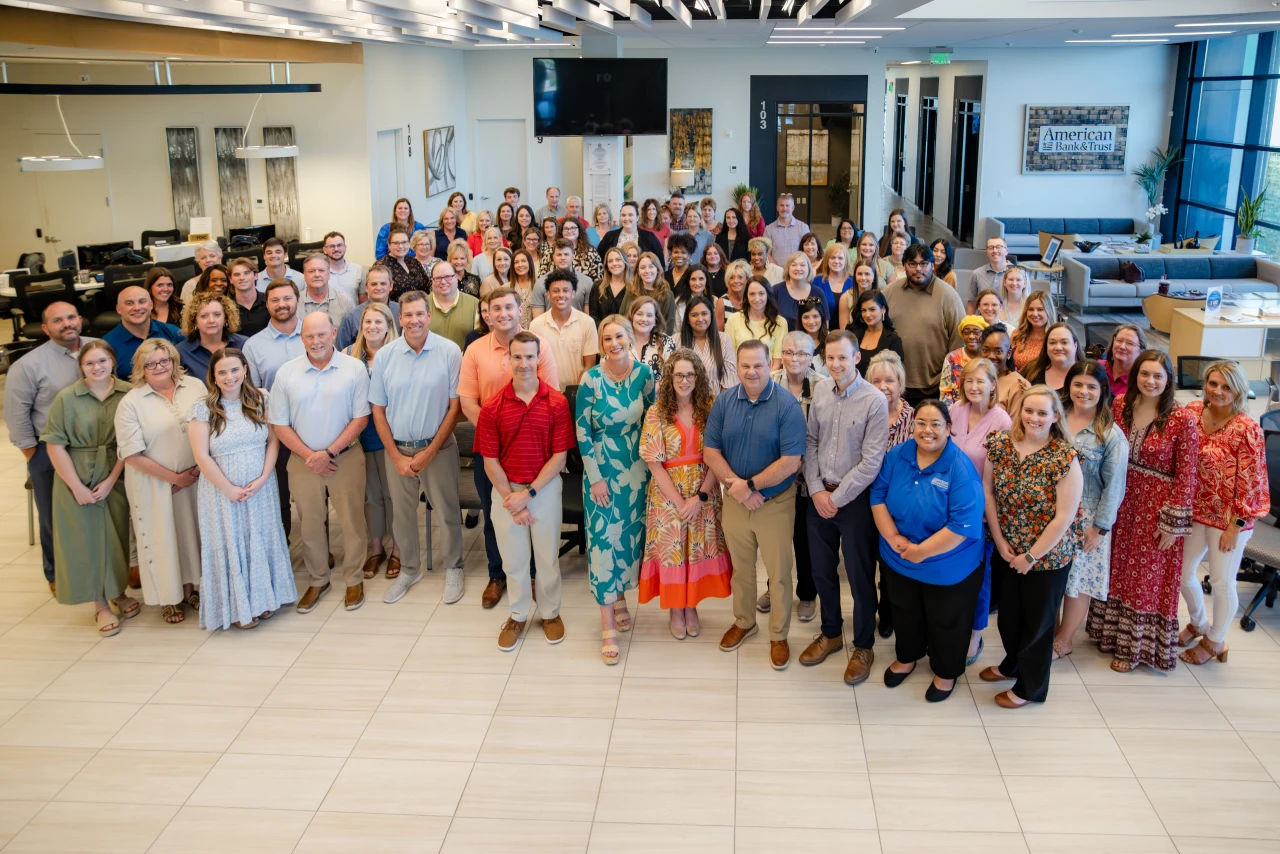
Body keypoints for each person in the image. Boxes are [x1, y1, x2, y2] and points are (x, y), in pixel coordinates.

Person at [1089, 350, 1198, 673]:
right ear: (1135, 375)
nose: (1150, 381)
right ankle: (1108, 635)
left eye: (1158, 376)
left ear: (1168, 381)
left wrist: (1172, 522)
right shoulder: (1120, 406)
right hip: (1121, 499)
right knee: (1116, 567)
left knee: (1144, 578)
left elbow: (1188, 474)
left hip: (1157, 508)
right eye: (1145, 374)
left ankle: (1134, 648)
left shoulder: (1182, 419)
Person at [873, 398, 986, 701]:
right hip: (900, 557)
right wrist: (892, 535)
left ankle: (945, 672)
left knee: (946, 619)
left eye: (936, 424)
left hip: (947, 565)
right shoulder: (897, 455)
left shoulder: (960, 468)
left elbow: (963, 525)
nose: (927, 430)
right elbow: (878, 494)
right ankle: (907, 657)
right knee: (905, 611)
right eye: (921, 423)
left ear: (949, 429)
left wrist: (921, 551)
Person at [706, 340, 806, 670]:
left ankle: (778, 635)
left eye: (758, 365)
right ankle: (745, 621)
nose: (752, 372)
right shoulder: (723, 401)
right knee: (742, 569)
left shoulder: (787, 405)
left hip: (774, 502)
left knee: (778, 574)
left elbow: (791, 462)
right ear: (737, 366)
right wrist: (738, 488)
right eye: (746, 365)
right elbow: (711, 452)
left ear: (769, 366)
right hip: (736, 501)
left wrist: (750, 485)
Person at [981, 386, 1084, 708]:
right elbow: (988, 492)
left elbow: (1064, 517)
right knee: (1009, 618)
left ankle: (1030, 688)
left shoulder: (1064, 457)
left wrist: (1031, 556)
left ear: (1055, 417)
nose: (1034, 418)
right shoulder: (1000, 444)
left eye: (1042, 413)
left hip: (1047, 557)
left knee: (1037, 625)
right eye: (1029, 411)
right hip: (1007, 548)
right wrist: (999, 541)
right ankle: (1012, 664)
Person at [459, 288, 558, 608]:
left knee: (534, 516)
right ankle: (497, 574)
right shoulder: (474, 350)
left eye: (509, 307)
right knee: (495, 514)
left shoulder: (538, 347)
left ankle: (530, 575)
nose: (503, 313)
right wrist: (494, 442)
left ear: (520, 311)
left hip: (533, 452)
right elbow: (468, 403)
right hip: (490, 450)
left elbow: (550, 399)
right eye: (496, 308)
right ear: (487, 313)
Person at [800, 330, 890, 684]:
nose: (835, 364)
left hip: (853, 502)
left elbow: (871, 462)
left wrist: (834, 499)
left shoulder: (873, 400)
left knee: (859, 575)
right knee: (821, 571)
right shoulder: (820, 390)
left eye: (843, 357)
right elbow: (810, 441)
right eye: (830, 358)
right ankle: (831, 633)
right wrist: (817, 490)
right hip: (819, 495)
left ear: (856, 358)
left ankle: (863, 644)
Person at [269, 313, 371, 614]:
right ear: (302, 337)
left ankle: (353, 579)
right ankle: (318, 580)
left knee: (352, 521)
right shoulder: (286, 373)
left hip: (346, 458)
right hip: (302, 462)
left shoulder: (353, 368)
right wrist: (311, 456)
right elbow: (279, 424)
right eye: (309, 336)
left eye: (322, 335)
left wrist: (329, 452)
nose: (316, 341)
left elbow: (360, 418)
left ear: (334, 333)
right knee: (310, 524)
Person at [369, 290, 467, 605]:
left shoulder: (450, 352)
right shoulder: (385, 356)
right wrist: (396, 455)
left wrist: (428, 451)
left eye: (419, 314)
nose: (414, 320)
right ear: (400, 318)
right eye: (407, 315)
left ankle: (454, 566)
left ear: (429, 315)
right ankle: (409, 569)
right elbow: (378, 411)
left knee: (448, 511)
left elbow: (455, 409)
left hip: (437, 449)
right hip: (397, 450)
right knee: (402, 514)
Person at [477, 331, 571, 651]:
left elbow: (560, 457)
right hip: (506, 492)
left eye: (530, 356)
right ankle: (517, 614)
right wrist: (512, 499)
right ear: (509, 359)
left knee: (546, 558)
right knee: (514, 560)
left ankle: (550, 613)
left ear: (538, 358)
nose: (524, 363)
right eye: (517, 356)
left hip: (542, 490)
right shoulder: (492, 407)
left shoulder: (556, 402)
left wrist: (528, 495)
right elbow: (490, 462)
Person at [189, 348, 295, 630]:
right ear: (213, 375)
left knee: (260, 537)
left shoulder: (261, 398)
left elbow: (273, 441)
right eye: (222, 372)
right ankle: (237, 607)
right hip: (222, 491)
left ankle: (264, 598)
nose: (229, 376)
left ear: (245, 369)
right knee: (231, 542)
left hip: (261, 485)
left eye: (234, 369)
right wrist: (228, 488)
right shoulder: (203, 408)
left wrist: (263, 477)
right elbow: (201, 456)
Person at [575, 315, 656, 664]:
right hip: (602, 470)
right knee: (603, 543)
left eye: (618, 336)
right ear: (601, 344)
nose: (613, 343)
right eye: (606, 338)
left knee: (628, 540)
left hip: (638, 470)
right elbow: (582, 433)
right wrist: (594, 476)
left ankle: (621, 596)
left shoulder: (645, 375)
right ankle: (607, 622)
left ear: (630, 337)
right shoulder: (590, 380)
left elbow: (653, 419)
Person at [1179, 360, 1270, 666]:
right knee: (1182, 573)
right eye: (1213, 383)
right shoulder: (1191, 412)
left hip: (1230, 519)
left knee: (1220, 581)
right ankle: (1200, 624)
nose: (1217, 391)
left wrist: (1236, 526)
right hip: (1195, 512)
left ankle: (1216, 640)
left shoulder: (1247, 428)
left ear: (1238, 391)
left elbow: (1252, 482)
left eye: (1226, 386)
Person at [42, 340, 134, 637]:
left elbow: (128, 444)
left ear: (112, 362)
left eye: (102, 361)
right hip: (76, 474)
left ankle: (118, 592)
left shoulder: (127, 394)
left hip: (115, 472)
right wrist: (76, 487)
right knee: (87, 542)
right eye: (89, 363)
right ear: (81, 367)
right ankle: (100, 604)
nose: (97, 368)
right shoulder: (66, 398)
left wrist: (110, 480)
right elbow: (55, 446)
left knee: (117, 536)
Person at [639, 350, 732, 639]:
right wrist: (680, 503)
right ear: (669, 378)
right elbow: (653, 462)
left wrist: (700, 497)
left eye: (690, 374)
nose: (684, 380)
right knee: (675, 551)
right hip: (667, 495)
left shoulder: (711, 407)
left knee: (697, 549)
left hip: (704, 488)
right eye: (678, 374)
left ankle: (691, 604)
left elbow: (719, 456)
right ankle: (675, 607)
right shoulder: (656, 411)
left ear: (699, 377)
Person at [5, 302, 96, 593]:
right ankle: (56, 574)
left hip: (97, 445)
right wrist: (35, 457)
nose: (67, 324)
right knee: (53, 516)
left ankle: (99, 568)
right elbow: (16, 416)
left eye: (71, 317)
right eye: (58, 320)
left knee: (98, 510)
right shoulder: (28, 366)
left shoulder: (99, 349)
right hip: (50, 449)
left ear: (80, 320)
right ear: (45, 328)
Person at [116, 339, 204, 623]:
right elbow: (131, 454)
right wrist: (174, 478)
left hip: (195, 477)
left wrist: (196, 471)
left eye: (164, 360)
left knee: (191, 534)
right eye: (150, 363)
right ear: (140, 368)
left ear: (174, 361)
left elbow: (211, 428)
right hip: (153, 482)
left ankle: (192, 589)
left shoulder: (195, 387)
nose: (158, 367)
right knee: (162, 539)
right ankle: (169, 599)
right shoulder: (131, 402)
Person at [1051, 359, 1128, 659]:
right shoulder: (1054, 417)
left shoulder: (1109, 434)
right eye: (1078, 384)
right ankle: (1047, 631)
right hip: (1048, 513)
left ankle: (1063, 639)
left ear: (1103, 390)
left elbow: (1115, 486)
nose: (1083, 391)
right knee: (1051, 580)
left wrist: (1100, 528)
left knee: (1077, 582)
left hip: (1087, 519)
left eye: (1091, 386)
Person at [948, 358, 1013, 662]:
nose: (974, 387)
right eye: (969, 381)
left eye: (980, 382)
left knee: (979, 575)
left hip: (981, 510)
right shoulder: (955, 410)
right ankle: (951, 624)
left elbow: (1002, 474)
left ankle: (975, 634)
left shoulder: (1001, 420)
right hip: (948, 504)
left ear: (992, 386)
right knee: (952, 570)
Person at [764, 331, 823, 624]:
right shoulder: (770, 382)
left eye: (801, 354)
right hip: (776, 476)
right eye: (788, 352)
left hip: (811, 479)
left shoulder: (823, 387)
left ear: (811, 358)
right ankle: (773, 589)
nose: (794, 359)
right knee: (775, 540)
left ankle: (808, 594)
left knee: (804, 539)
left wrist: (803, 465)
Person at [345, 303, 402, 584]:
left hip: (391, 437)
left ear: (389, 326)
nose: (372, 327)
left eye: (379, 322)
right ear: (361, 326)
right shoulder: (347, 356)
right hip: (360, 439)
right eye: (368, 322)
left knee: (395, 497)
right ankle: (377, 549)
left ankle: (399, 550)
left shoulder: (398, 356)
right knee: (371, 497)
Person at [882, 244, 965, 406]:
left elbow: (958, 343)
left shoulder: (948, 296)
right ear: (904, 265)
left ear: (932, 265)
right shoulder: (890, 292)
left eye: (924, 263)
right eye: (912, 264)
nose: (918, 269)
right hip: (895, 384)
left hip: (934, 387)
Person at [529, 269, 599, 390]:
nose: (561, 295)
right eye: (555, 291)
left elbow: (590, 364)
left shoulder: (587, 322)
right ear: (548, 294)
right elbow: (534, 363)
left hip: (577, 392)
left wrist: (575, 391)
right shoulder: (536, 325)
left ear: (573, 293)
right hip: (546, 393)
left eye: (566, 290)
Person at [102, 286, 184, 380]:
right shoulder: (107, 345)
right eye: (129, 303)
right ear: (118, 309)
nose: (137, 308)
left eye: (142, 301)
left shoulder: (174, 333)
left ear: (151, 305)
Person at [177, 291, 248, 380]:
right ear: (195, 321)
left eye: (217, 315)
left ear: (226, 318)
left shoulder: (244, 344)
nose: (211, 320)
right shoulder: (181, 352)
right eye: (204, 316)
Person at [725, 276, 787, 371]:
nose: (756, 299)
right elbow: (730, 357)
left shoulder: (780, 322)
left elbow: (777, 361)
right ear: (747, 296)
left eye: (761, 293)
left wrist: (764, 380)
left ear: (768, 295)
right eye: (752, 294)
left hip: (769, 378)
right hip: (739, 377)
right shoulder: (733, 319)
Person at [680, 294, 736, 392]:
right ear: (688, 319)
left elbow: (730, 380)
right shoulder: (677, 340)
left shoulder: (723, 339)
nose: (700, 319)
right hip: (686, 401)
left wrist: (717, 405)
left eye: (704, 314)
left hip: (718, 402)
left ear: (711, 315)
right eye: (694, 315)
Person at [337, 265, 398, 350]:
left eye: (383, 283)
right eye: (374, 284)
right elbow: (341, 351)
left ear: (391, 286)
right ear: (366, 287)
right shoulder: (351, 317)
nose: (378, 287)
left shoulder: (401, 312)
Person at [428, 256, 481, 354]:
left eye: (448, 277)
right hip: (428, 364)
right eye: (438, 278)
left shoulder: (475, 304)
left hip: (464, 363)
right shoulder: (422, 304)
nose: (443, 282)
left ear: (456, 278)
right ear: (432, 281)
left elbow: (480, 341)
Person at [530, 240, 594, 318]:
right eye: (559, 254)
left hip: (578, 328)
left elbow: (588, 317)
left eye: (566, 254)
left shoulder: (587, 282)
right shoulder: (541, 283)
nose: (562, 258)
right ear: (553, 257)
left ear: (573, 256)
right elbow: (537, 319)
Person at [622, 252, 677, 336]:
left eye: (651, 267)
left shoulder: (668, 295)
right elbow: (622, 317)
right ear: (638, 272)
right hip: (631, 340)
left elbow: (669, 325)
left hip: (657, 342)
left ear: (658, 270)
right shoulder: (630, 292)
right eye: (643, 268)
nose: (647, 271)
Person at [980, 325, 1031, 415]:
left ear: (1009, 354)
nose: (991, 356)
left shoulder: (1019, 385)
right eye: (985, 350)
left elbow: (1016, 425)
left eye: (998, 351)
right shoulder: (975, 378)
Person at [773, 252, 829, 333]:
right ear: (788, 268)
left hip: (812, 343)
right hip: (783, 342)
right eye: (793, 265)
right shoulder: (776, 291)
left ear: (809, 268)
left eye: (802, 265)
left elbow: (825, 325)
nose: (798, 268)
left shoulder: (818, 292)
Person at [939, 315, 989, 405]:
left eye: (976, 332)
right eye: (966, 333)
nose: (971, 336)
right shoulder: (951, 358)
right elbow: (945, 393)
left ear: (984, 335)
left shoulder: (989, 358)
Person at [849, 289, 904, 369]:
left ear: (883, 309)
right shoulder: (853, 334)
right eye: (863, 310)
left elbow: (897, 373)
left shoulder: (893, 340)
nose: (867, 315)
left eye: (872, 309)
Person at [627, 296, 676, 384]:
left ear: (655, 321)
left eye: (649, 315)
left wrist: (650, 393)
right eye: (639, 314)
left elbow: (671, 376)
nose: (644, 319)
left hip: (657, 396)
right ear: (632, 317)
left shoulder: (667, 342)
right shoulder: (620, 340)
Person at [596, 200, 665, 260]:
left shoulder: (649, 237)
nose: (626, 218)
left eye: (630, 215)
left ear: (637, 217)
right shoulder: (609, 236)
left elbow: (659, 261)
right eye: (623, 215)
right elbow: (598, 258)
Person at [1022, 322, 1079, 394]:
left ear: (1075, 346)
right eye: (1052, 343)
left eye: (1064, 342)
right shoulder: (1031, 369)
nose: (1058, 347)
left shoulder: (1087, 374)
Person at [964, 236, 1014, 312]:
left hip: (1008, 321)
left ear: (1006, 251)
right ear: (987, 252)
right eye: (991, 247)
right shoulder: (977, 274)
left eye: (998, 247)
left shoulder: (1019, 274)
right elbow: (971, 304)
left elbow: (1024, 302)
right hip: (983, 321)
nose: (995, 250)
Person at [1011, 290, 1055, 375]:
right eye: (1031, 309)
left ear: (1048, 311)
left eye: (1040, 309)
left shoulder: (1056, 337)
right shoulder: (1017, 335)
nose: (1035, 314)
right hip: (1020, 384)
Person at [380, 227, 430, 301]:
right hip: (395, 310)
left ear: (409, 244)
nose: (400, 246)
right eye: (396, 243)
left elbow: (427, 287)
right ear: (389, 245)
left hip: (419, 308)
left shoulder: (414, 262)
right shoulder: (382, 266)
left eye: (404, 242)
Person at [1100, 324, 1147, 397]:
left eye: (1130, 343)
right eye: (1119, 341)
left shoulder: (1141, 381)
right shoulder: (1098, 367)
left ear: (1141, 351)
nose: (1122, 347)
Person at [228, 257, 269, 336]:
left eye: (246, 273)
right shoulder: (225, 306)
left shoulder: (269, 300)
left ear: (256, 275)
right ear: (230, 279)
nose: (242, 278)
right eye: (237, 274)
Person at [590, 246, 632, 323]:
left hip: (626, 333)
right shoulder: (597, 286)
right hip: (601, 333)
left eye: (618, 259)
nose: (614, 263)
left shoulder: (634, 288)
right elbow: (593, 316)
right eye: (610, 261)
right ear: (607, 266)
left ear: (625, 262)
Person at [838, 261, 882, 330]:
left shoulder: (882, 296)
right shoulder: (846, 297)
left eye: (867, 274)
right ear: (855, 276)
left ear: (874, 277)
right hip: (853, 338)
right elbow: (844, 330)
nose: (863, 278)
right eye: (859, 274)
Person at [763, 193, 808, 262]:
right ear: (777, 208)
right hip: (776, 271)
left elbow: (807, 251)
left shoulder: (803, 227)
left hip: (797, 270)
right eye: (781, 205)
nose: (784, 208)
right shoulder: (769, 229)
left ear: (793, 208)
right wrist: (777, 269)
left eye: (787, 205)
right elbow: (766, 253)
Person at [322, 230, 364, 303]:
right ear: (325, 250)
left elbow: (363, 302)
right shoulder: (319, 272)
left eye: (339, 245)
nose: (336, 249)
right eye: (332, 246)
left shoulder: (358, 270)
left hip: (353, 314)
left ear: (345, 247)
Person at [558, 217, 604, 283]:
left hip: (586, 291)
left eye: (573, 228)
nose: (569, 231)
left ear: (579, 230)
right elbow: (543, 278)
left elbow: (599, 278)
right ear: (561, 231)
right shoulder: (552, 251)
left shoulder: (590, 251)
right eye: (566, 229)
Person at [813, 242, 852, 317]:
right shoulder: (817, 281)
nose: (836, 261)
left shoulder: (854, 281)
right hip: (824, 327)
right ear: (827, 260)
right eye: (833, 258)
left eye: (840, 258)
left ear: (846, 261)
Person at [716, 259, 750, 331]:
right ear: (728, 281)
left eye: (740, 277)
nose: (736, 281)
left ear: (747, 279)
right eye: (732, 278)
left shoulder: (752, 299)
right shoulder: (722, 302)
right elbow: (719, 333)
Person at [673, 265, 710, 329]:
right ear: (688, 281)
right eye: (693, 279)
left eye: (701, 279)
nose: (697, 283)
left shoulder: (715, 301)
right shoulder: (679, 302)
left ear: (706, 281)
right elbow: (676, 331)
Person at [508, 249, 539, 327]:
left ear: (530, 263)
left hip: (534, 333)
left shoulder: (539, 286)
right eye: (516, 262)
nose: (520, 265)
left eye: (523, 261)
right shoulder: (506, 288)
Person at [664, 233, 697, 299]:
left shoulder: (695, 274)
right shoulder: (665, 276)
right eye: (676, 252)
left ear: (689, 255)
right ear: (670, 254)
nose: (679, 255)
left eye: (683, 252)